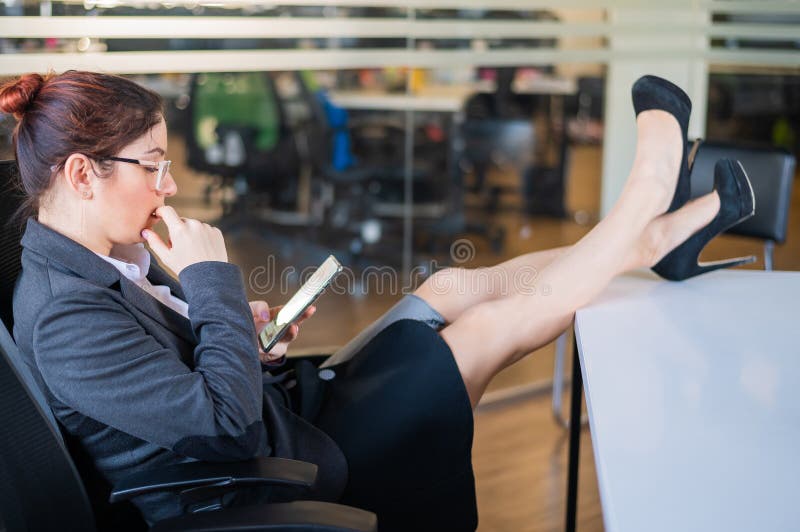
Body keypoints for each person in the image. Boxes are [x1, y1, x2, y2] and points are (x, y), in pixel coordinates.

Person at [0, 71, 753, 531]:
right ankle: (645, 212)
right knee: (486, 331)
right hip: (266, 470)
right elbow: (223, 425)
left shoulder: (99, 254)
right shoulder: (64, 313)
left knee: (450, 289)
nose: (169, 186)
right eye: (153, 166)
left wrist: (235, 331)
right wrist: (210, 282)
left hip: (285, 414)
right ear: (81, 173)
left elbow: (180, 376)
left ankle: (650, 242)